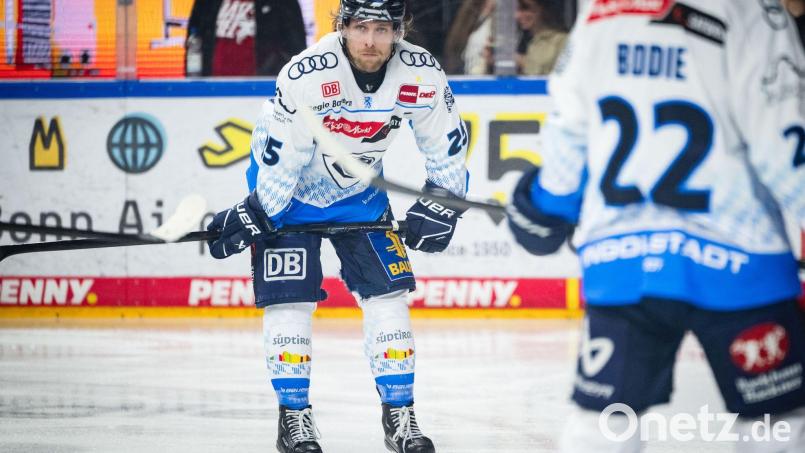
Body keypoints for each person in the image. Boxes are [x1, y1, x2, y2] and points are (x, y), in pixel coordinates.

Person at [507, 0, 805, 451]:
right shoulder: (753, 10)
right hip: (741, 262)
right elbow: (784, 145)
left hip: (622, 261)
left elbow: (571, 130)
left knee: (602, 426)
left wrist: (546, 205)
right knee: (774, 426)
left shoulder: (600, 11)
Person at [205, 1, 469, 452]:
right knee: (290, 302)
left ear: (398, 30)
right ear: (342, 27)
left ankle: (400, 418)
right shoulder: (307, 73)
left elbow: (446, 145)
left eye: (382, 29)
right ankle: (294, 421)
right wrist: (259, 211)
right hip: (287, 196)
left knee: (389, 297)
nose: (370, 40)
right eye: (360, 27)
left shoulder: (421, 72)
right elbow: (281, 154)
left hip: (359, 198)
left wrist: (442, 203)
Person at [185, 0, 307, 76]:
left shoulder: (281, 3)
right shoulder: (208, 3)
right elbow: (194, 41)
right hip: (212, 91)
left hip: (263, 92)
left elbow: (296, 49)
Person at [514, 0, 568, 75]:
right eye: (518, 9)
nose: (517, 16)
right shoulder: (527, 42)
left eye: (526, 8)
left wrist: (524, 62)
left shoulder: (562, 41)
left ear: (543, 9)